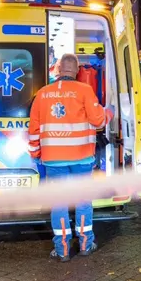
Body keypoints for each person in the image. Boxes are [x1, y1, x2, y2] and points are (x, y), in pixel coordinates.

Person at [28, 53, 114, 262]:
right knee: (83, 201)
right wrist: (109, 112)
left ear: (57, 70)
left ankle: (62, 249)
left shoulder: (42, 94)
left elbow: (33, 129)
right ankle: (85, 244)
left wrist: (36, 153)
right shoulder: (84, 90)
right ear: (76, 71)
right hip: (81, 158)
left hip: (54, 159)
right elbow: (98, 121)